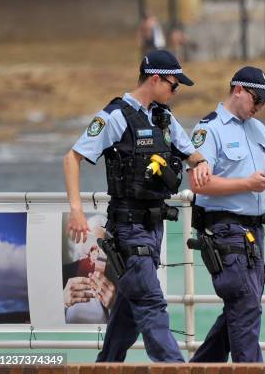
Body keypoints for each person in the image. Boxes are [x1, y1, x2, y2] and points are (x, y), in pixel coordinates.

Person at [63, 49, 211, 362]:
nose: (176, 91)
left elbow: (191, 153)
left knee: (129, 316)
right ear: (155, 78)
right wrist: (77, 210)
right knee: (152, 304)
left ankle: (105, 366)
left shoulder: (163, 117)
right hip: (129, 229)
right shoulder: (117, 116)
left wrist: (201, 164)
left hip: (153, 226)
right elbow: (72, 158)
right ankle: (175, 368)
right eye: (174, 85)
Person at [188, 66, 265, 362]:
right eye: (256, 100)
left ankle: (198, 369)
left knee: (243, 307)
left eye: (263, 104)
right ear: (238, 90)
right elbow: (198, 182)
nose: (259, 108)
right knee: (246, 305)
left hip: (254, 233)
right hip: (224, 230)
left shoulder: (258, 129)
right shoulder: (208, 130)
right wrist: (248, 184)